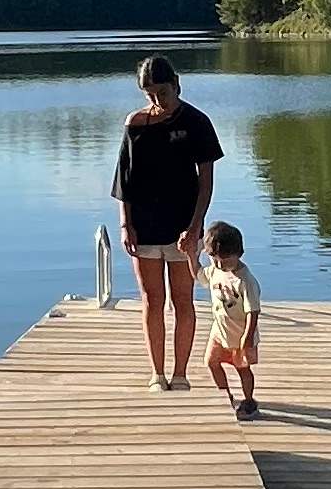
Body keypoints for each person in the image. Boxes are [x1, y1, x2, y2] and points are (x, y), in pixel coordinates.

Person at [111, 55, 223, 388]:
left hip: (183, 227)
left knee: (182, 299)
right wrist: (124, 224)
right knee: (152, 300)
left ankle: (181, 374)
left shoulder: (197, 122)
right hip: (144, 225)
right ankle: (157, 374)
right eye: (150, 94)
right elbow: (123, 182)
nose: (157, 100)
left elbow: (206, 183)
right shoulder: (135, 124)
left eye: (162, 92)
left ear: (176, 85)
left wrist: (195, 228)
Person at [202, 220, 262, 419]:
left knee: (243, 369)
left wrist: (248, 336)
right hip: (219, 332)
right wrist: (188, 256)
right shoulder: (216, 271)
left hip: (241, 335)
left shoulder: (245, 281)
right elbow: (199, 275)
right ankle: (225, 394)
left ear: (238, 253)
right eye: (213, 258)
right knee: (211, 362)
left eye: (225, 259)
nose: (219, 264)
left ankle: (249, 401)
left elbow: (253, 311)